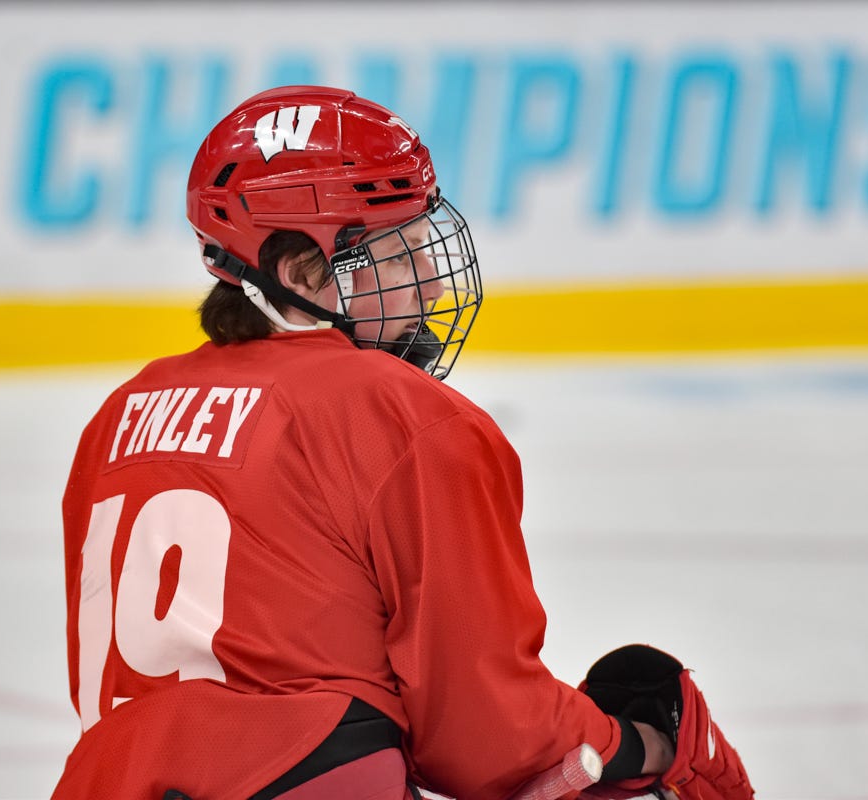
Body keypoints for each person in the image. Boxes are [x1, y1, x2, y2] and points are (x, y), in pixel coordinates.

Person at [52, 86, 748, 800]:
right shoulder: (405, 417)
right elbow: (486, 737)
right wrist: (638, 745)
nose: (434, 288)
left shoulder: (117, 419)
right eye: (396, 256)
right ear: (298, 274)